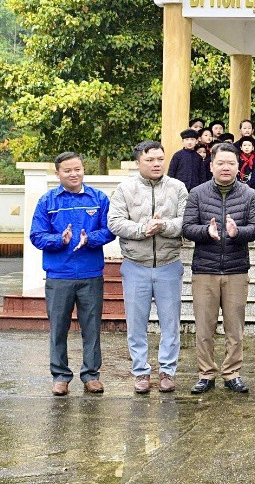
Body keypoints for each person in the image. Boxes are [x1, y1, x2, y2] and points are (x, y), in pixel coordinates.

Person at [29, 152, 115, 396]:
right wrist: (59, 239)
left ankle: (91, 375)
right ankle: (60, 376)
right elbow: (36, 235)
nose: (74, 174)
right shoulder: (48, 201)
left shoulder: (98, 198)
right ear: (58, 174)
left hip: (90, 273)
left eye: (77, 169)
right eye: (67, 170)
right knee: (58, 327)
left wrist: (91, 239)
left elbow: (110, 229)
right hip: (59, 274)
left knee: (91, 327)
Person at [181, 144, 255, 395]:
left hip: (236, 269)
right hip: (205, 269)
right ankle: (206, 373)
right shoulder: (197, 193)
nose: (225, 167)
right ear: (212, 165)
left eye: (230, 163)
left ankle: (232, 373)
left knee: (234, 327)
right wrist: (206, 231)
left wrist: (237, 232)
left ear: (238, 166)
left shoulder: (249, 195)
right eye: (220, 163)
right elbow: (187, 227)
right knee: (204, 327)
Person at [108, 140, 189, 394]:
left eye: (160, 159)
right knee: (136, 323)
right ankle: (141, 372)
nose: (156, 164)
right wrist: (143, 229)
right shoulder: (125, 189)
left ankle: (167, 371)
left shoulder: (177, 187)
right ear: (138, 162)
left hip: (168, 264)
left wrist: (163, 225)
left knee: (170, 322)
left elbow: (186, 221)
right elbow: (115, 222)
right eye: (150, 160)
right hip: (135, 265)